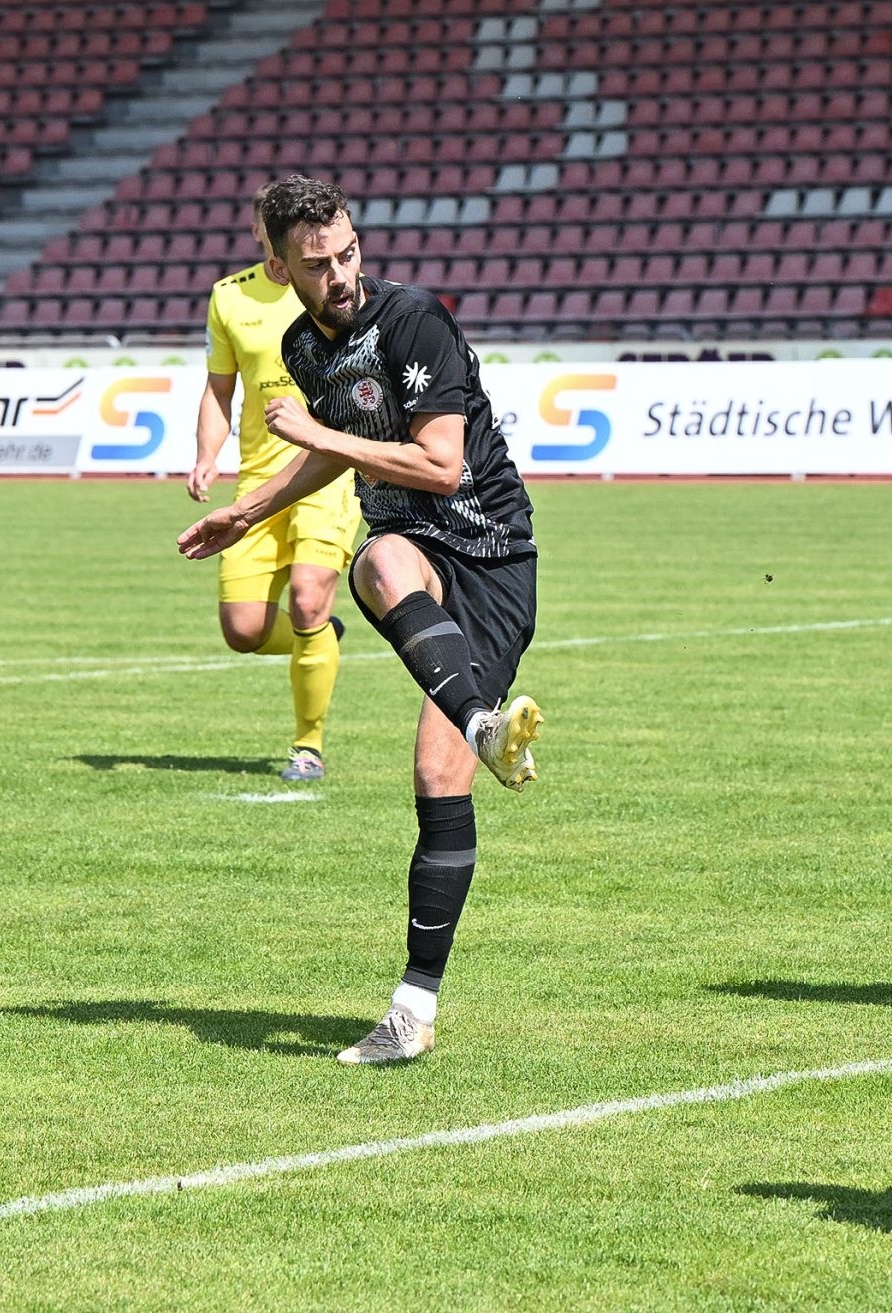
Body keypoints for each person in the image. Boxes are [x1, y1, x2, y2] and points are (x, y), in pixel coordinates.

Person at [179, 176, 544, 1066]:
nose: (339, 273)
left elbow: (440, 465)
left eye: (347, 253)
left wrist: (316, 435)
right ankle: (411, 1014)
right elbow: (332, 453)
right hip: (412, 546)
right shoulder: (305, 348)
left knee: (436, 775)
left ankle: (414, 1006)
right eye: (317, 263)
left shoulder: (414, 320)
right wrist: (249, 510)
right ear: (279, 267)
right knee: (378, 562)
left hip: (491, 556)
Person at [189, 183, 361, 782]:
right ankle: (321, 639)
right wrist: (206, 454)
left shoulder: (334, 285)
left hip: (327, 468)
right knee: (243, 630)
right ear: (261, 230)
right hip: (259, 479)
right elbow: (219, 389)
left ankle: (307, 747)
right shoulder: (228, 296)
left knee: (309, 597)